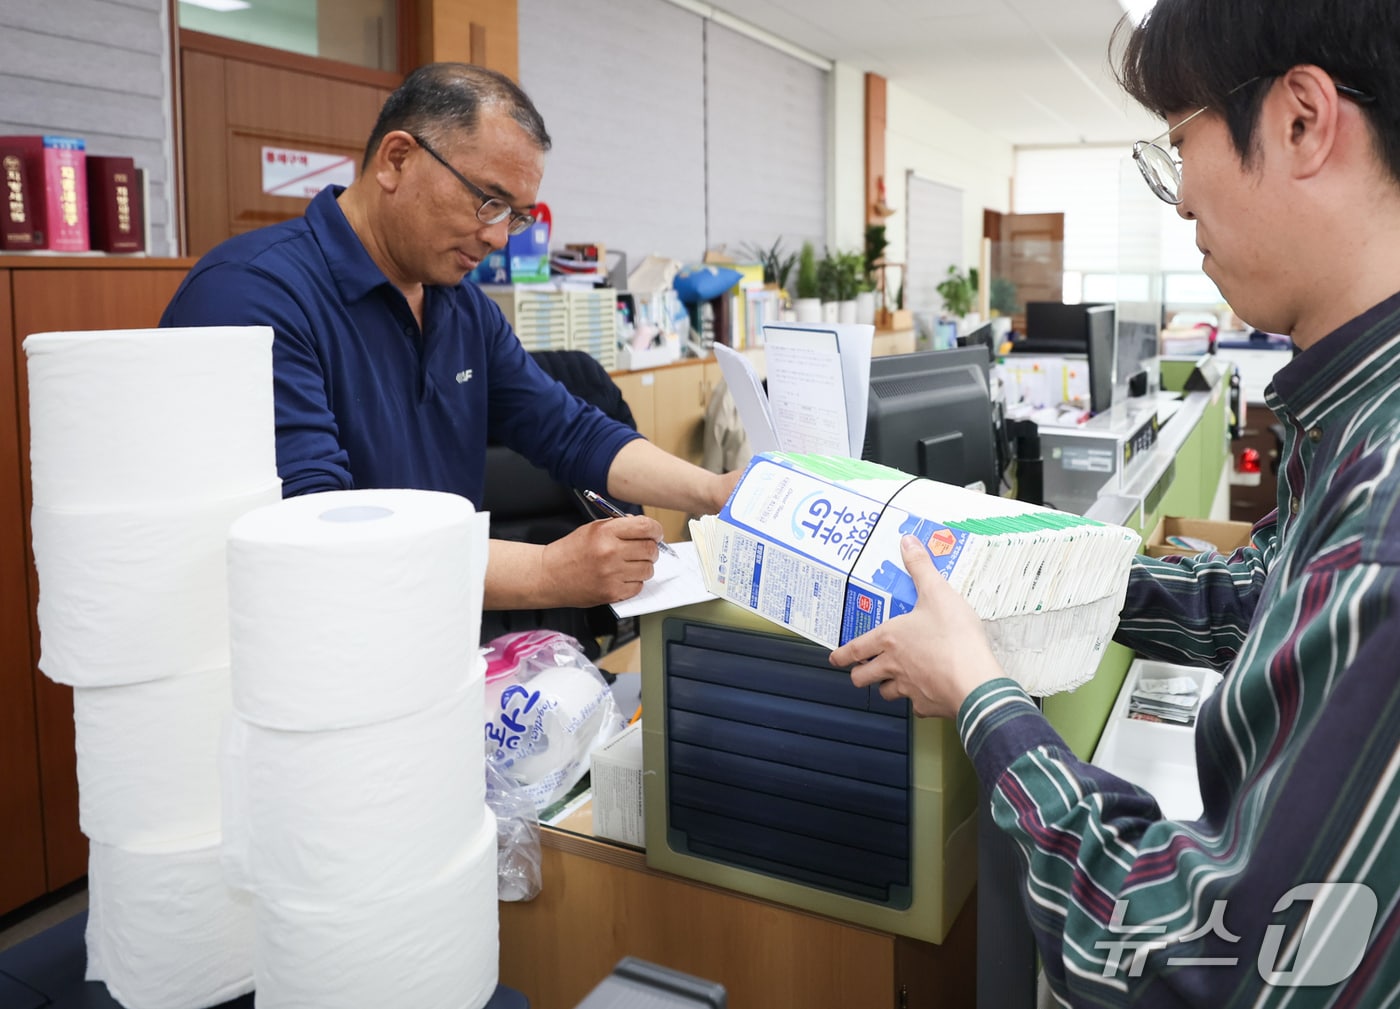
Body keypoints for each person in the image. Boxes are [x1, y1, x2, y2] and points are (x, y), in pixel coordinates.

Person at [831, 1, 1400, 1004]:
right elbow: (1259, 594)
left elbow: (1200, 963)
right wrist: (1035, 574)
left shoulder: (1380, 510)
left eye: (1178, 142)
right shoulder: (1354, 416)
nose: (1179, 201)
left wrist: (980, 696)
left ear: (1301, 121)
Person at [162, 63, 737, 610]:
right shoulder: (251, 295)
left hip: (433, 639)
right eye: (487, 201)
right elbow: (317, 530)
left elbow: (567, 429)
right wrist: (546, 574)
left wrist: (714, 493)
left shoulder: (457, 304)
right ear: (397, 160)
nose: (497, 239)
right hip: (311, 658)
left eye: (515, 216)